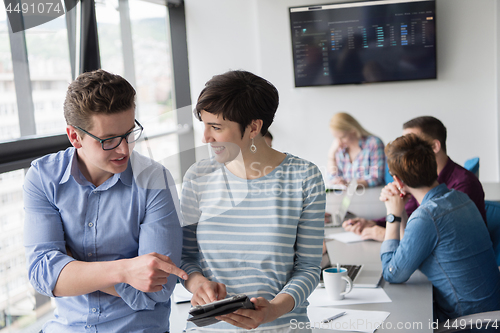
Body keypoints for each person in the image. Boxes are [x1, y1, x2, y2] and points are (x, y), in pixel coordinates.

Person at [23, 69, 187, 332]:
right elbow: (43, 275)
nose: (124, 149)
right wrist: (124, 271)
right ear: (75, 137)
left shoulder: (155, 179)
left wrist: (72, 268)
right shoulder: (43, 177)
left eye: (129, 133)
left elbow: (158, 288)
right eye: (109, 140)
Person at [180, 70, 325, 332]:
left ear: (254, 127)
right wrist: (198, 284)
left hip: (281, 327)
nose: (205, 138)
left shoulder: (304, 177)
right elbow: (186, 257)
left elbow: (308, 268)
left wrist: (274, 309)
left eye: (216, 127)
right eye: (205, 125)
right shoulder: (198, 176)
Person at [379, 133, 500, 322]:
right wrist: (401, 211)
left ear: (398, 181)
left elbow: (392, 273)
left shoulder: (427, 216)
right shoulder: (460, 198)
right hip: (488, 314)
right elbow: (408, 253)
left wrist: (392, 216)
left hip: (467, 323)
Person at [344, 116, 486, 241]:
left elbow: (438, 237)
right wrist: (373, 223)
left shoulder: (463, 184)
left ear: (435, 146)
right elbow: (410, 212)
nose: (406, 150)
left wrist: (386, 234)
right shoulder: (418, 179)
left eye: (413, 142)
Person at [327, 112, 385, 188]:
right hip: (347, 198)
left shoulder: (373, 143)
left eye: (342, 137)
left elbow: (376, 178)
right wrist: (331, 154)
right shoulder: (340, 148)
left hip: (371, 197)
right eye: (336, 137)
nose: (338, 142)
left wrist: (350, 184)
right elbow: (332, 178)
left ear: (353, 131)